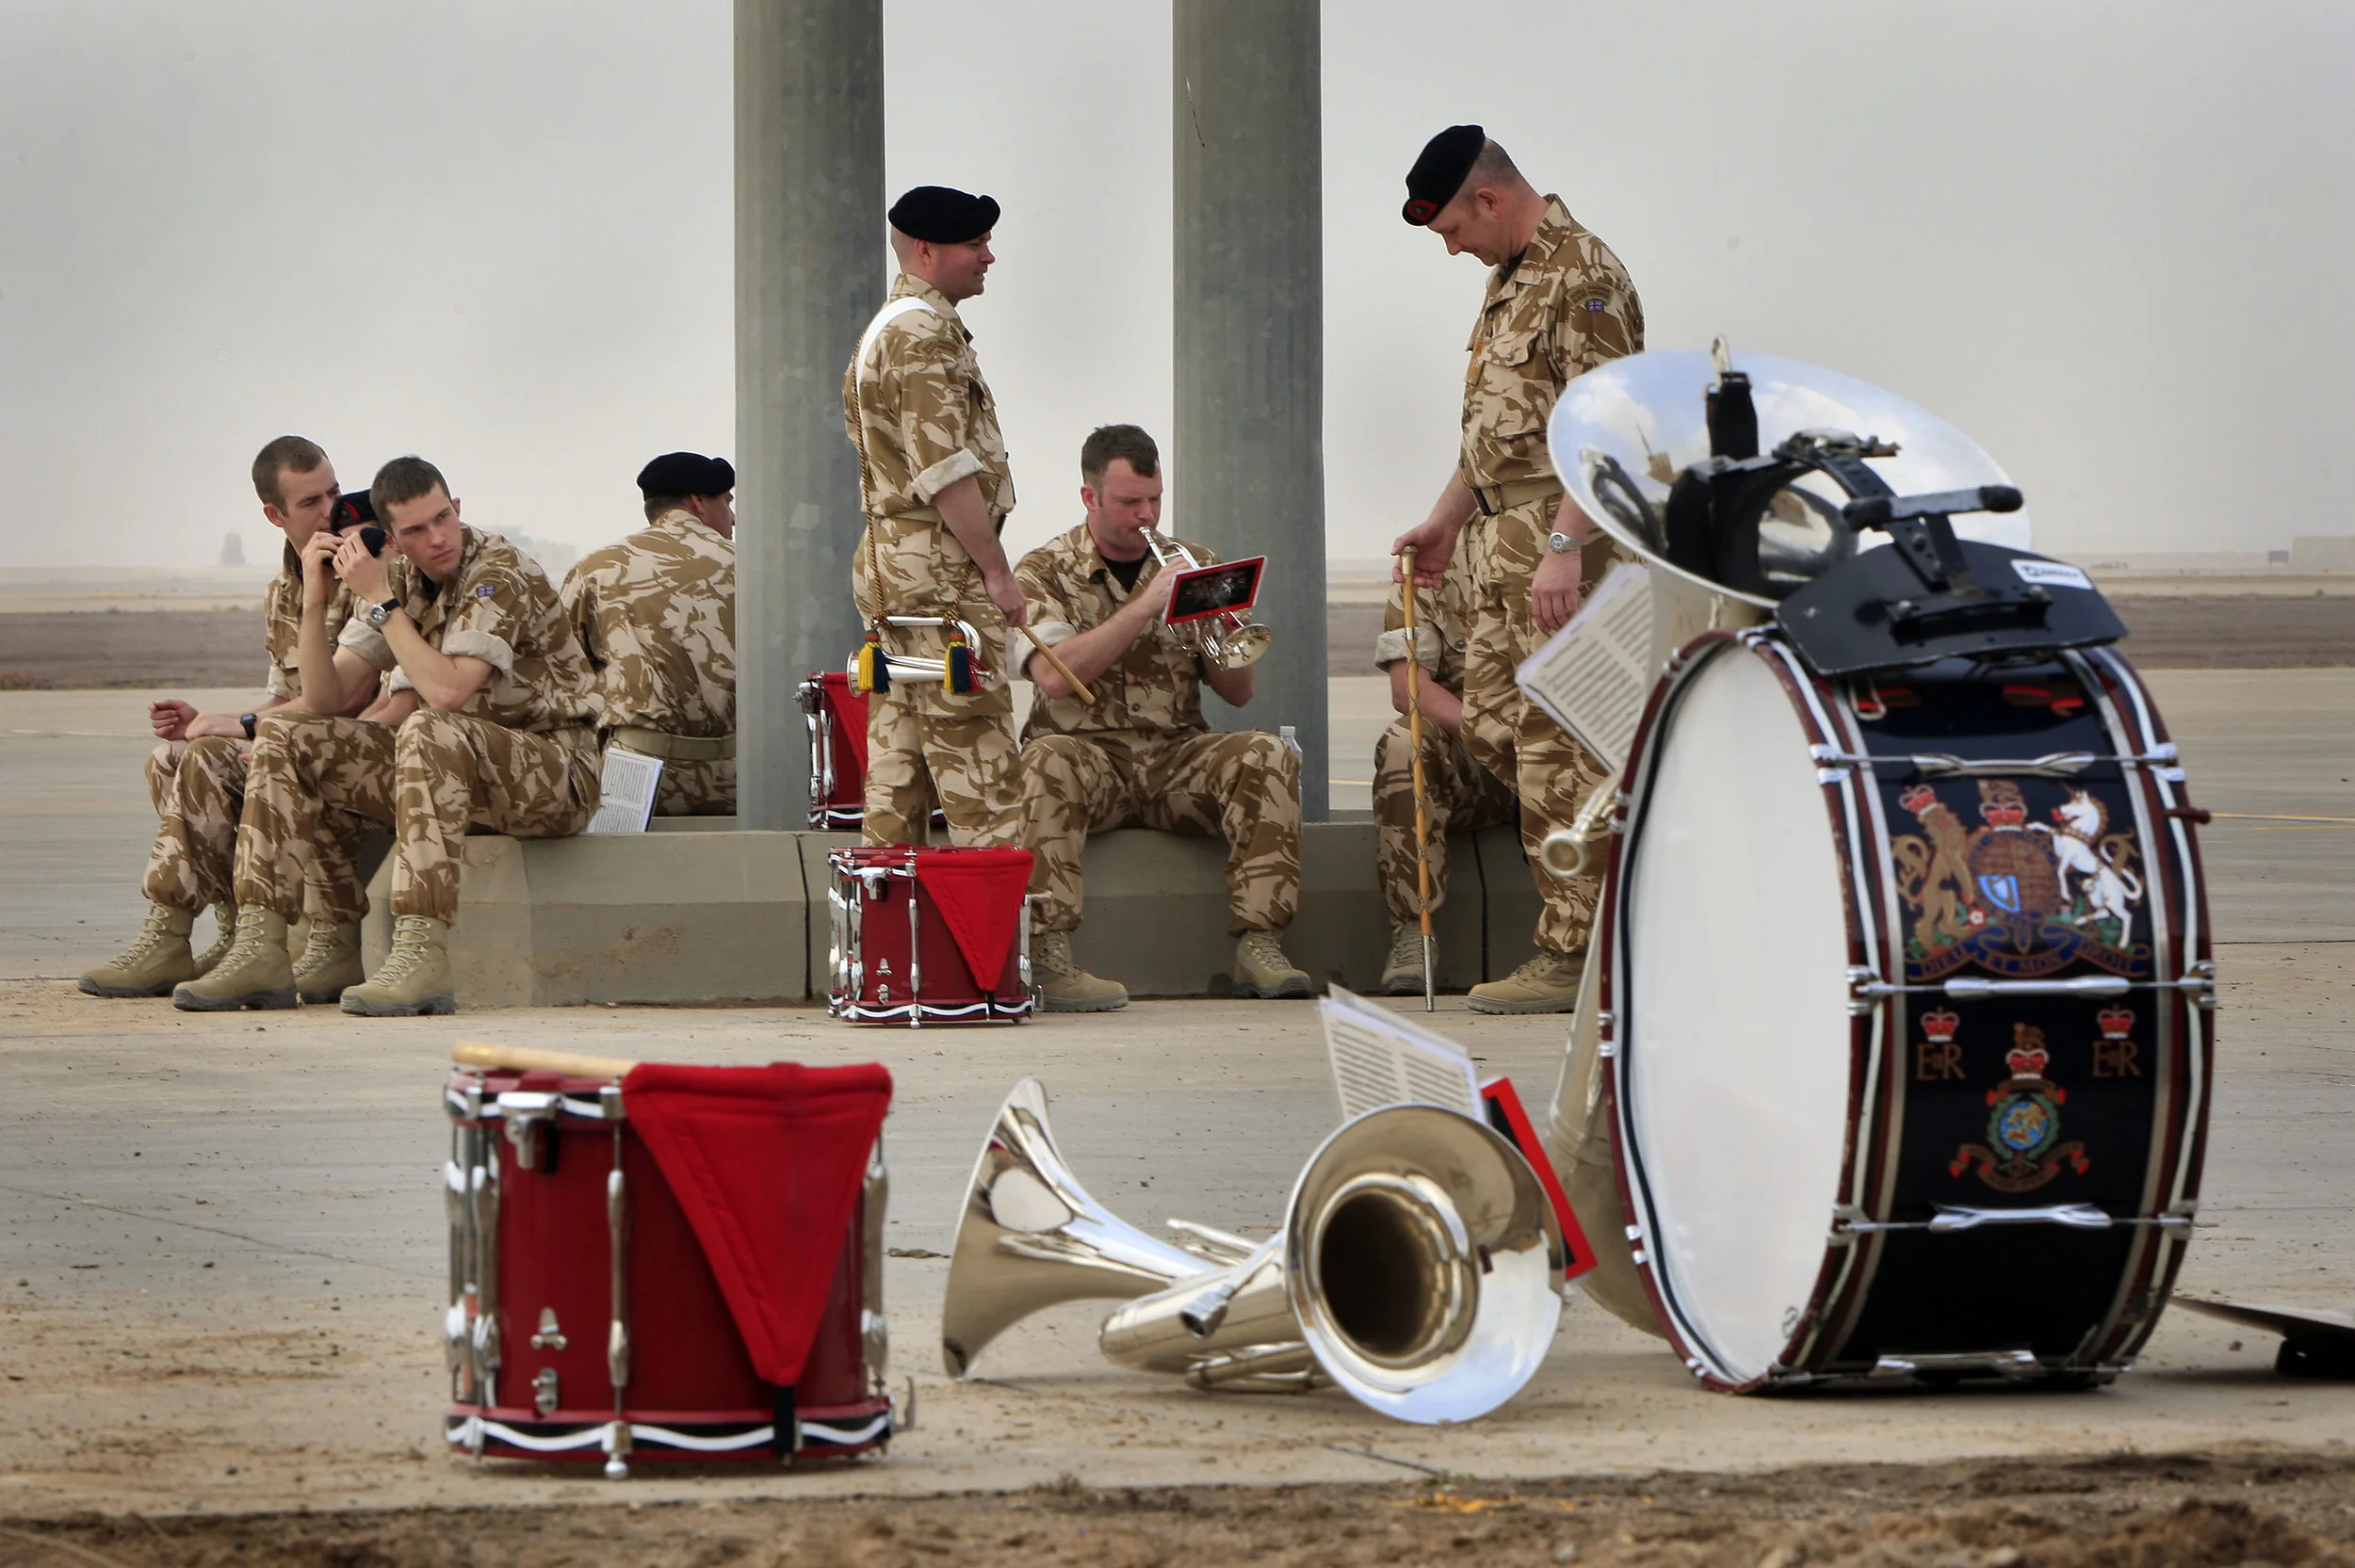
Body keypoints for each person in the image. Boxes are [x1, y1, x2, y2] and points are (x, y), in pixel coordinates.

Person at [175, 456, 602, 1016]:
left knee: (428, 726)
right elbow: (326, 701)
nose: (438, 538)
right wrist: (315, 597)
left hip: (554, 772)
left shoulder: (498, 572)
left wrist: (380, 602)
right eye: (417, 531)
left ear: (458, 509)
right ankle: (265, 945)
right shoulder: (395, 578)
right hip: (461, 771)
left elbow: (447, 692)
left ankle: (422, 954)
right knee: (289, 739)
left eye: (443, 518)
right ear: (393, 539)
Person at [1389, 125, 1644, 1014]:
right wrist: (1445, 522)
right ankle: (1603, 911)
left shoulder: (1584, 276)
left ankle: (1576, 949)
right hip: (1500, 541)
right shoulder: (1510, 280)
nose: (1453, 248)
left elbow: (1606, 430)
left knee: (1556, 737)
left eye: (1453, 230)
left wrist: (1567, 545)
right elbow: (1497, 435)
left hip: (1556, 539)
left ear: (1488, 200)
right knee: (1497, 725)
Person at [1015, 425, 1311, 1009]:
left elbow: (1239, 691)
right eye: (1129, 503)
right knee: (1044, 760)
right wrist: (1146, 605)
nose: (1146, 515)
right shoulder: (1042, 572)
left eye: (1155, 499)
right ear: (1090, 497)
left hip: (1174, 757)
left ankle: (1260, 945)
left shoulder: (1193, 563)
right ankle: (1048, 955)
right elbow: (1055, 676)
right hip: (1087, 757)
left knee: (1267, 753)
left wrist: (1220, 624)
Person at [79, 436, 379, 1002]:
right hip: (296, 744)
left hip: (353, 751)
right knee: (172, 757)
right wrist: (224, 720)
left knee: (216, 752)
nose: (332, 512)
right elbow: (283, 697)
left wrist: (239, 725)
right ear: (275, 515)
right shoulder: (284, 591)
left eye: (335, 493)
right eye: (312, 502)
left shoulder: (369, 572)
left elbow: (341, 694)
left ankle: (253, 944)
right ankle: (210, 932)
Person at [841, 185, 1027, 849]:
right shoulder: (922, 334)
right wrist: (998, 573)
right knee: (986, 786)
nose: (988, 257)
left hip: (898, 570)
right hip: (942, 573)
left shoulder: (887, 329)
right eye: (975, 244)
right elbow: (945, 469)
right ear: (926, 250)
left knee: (901, 772)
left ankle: (886, 945)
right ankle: (1011, 951)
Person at [1371, 555, 1517, 995]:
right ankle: (1415, 934)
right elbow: (1409, 688)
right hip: (1481, 761)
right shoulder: (1429, 572)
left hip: (1564, 760)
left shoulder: (1566, 560)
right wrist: (1500, 739)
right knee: (1406, 742)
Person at [562, 452, 737, 816]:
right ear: (698, 502)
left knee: (615, 872)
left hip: (635, 775)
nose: (732, 517)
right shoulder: (751, 564)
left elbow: (560, 676)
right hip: (746, 776)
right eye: (727, 501)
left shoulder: (597, 571)